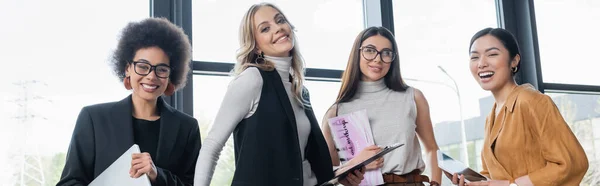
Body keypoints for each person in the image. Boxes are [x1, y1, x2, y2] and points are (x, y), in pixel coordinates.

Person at [193, 3, 365, 186]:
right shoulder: (252, 79)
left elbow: (300, 165)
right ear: (256, 46)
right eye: (265, 28)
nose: (278, 28)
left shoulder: (300, 91)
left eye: (280, 20)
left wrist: (339, 175)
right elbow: (212, 146)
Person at [56, 17, 201, 186]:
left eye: (161, 69)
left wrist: (156, 175)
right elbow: (69, 183)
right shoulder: (94, 119)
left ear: (170, 75)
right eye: (142, 66)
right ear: (127, 69)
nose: (151, 76)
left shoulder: (187, 127)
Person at [448, 27, 589, 186]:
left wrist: (512, 185)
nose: (481, 63)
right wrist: (475, 182)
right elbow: (495, 176)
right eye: (474, 57)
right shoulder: (491, 118)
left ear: (514, 60)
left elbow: (571, 164)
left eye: (492, 54)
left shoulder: (531, 101)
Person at [321, 26, 442, 186]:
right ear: (357, 53)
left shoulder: (413, 97)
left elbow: (432, 148)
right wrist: (355, 164)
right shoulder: (336, 112)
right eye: (370, 50)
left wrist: (436, 183)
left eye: (386, 53)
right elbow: (328, 174)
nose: (378, 59)